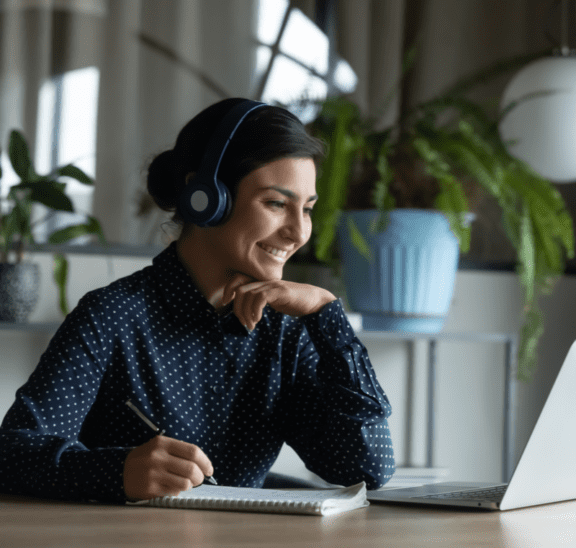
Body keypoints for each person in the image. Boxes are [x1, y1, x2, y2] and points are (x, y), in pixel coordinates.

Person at [0, 98, 395, 503]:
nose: (298, 233)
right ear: (205, 197)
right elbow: (10, 455)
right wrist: (117, 471)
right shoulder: (112, 315)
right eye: (277, 203)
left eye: (307, 209)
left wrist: (327, 313)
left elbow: (369, 467)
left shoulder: (286, 332)